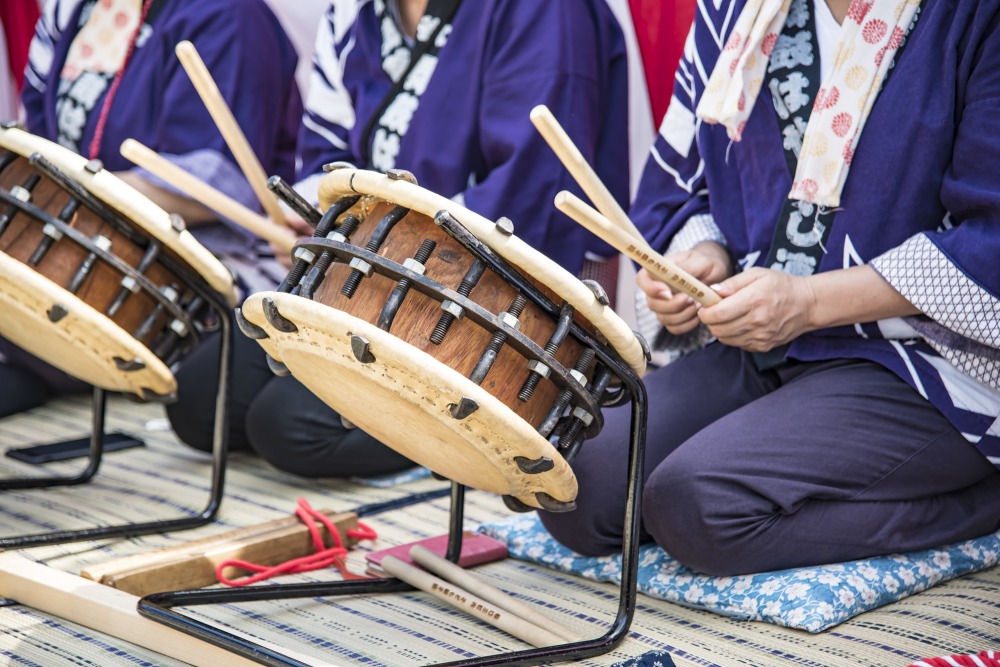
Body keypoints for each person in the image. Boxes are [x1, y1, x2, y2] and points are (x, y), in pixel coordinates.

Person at [539, 0, 1000, 576]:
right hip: (761, 339)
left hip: (922, 361)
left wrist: (809, 302)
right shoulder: (731, 11)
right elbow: (678, 187)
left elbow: (993, 239)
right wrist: (698, 258)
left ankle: (982, 501)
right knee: (575, 481)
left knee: (698, 506)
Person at [166, 0, 638, 479]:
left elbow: (527, 193)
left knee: (288, 428)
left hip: (490, 304)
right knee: (202, 401)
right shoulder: (354, 11)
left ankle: (465, 448)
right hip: (366, 272)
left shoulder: (546, 11)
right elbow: (326, 153)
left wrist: (370, 242)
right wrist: (321, 221)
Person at [0, 0, 302, 418]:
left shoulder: (230, 15)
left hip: (194, 263)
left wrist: (67, 193)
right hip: (67, 235)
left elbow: (208, 188)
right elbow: (35, 135)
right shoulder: (72, 10)